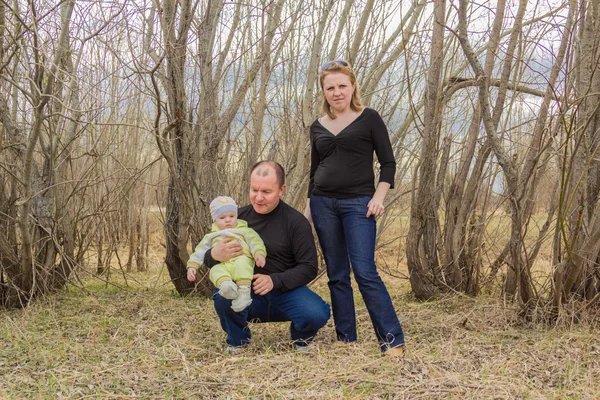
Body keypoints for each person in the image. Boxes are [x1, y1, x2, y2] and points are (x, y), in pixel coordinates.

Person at [304, 59, 405, 357]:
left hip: (359, 204)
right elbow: (314, 171)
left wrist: (379, 197)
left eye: (342, 86)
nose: (337, 92)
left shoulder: (369, 118)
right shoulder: (317, 126)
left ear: (353, 87)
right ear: (324, 91)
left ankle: (392, 340)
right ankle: (345, 337)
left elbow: (388, 163)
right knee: (336, 273)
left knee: (364, 270)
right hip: (323, 204)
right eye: (330, 87)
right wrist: (308, 210)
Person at [204, 161, 331, 354]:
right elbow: (205, 254)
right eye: (254, 190)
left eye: (266, 192)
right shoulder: (235, 219)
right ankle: (238, 339)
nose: (259, 197)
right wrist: (213, 255)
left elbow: (309, 267)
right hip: (246, 291)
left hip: (286, 292)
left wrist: (275, 280)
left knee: (316, 313)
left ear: (281, 189)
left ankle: (300, 337)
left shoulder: (296, 222)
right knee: (223, 296)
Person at [187, 196, 266, 312]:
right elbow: (200, 252)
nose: (228, 220)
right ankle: (227, 286)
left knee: (242, 265)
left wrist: (259, 254)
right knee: (214, 271)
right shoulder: (211, 236)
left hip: (241, 258)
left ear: (236, 216)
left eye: (231, 216)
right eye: (222, 217)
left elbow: (256, 242)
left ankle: (244, 292)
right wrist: (192, 266)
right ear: (214, 220)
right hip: (223, 264)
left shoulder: (244, 231)